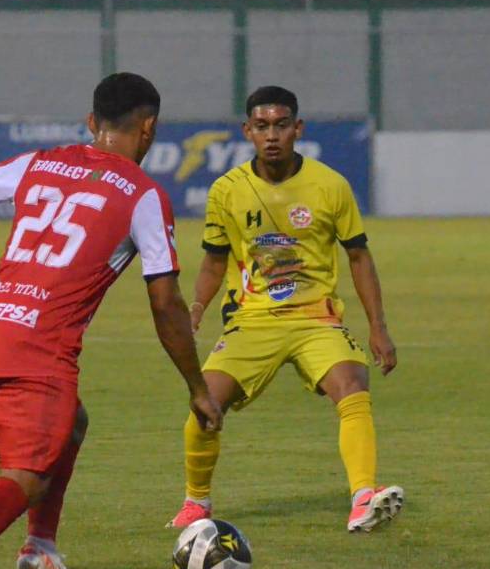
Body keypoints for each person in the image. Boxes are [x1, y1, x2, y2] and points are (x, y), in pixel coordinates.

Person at [0, 73, 223, 569]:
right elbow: (166, 304)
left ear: (92, 122)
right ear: (149, 128)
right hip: (39, 342)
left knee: (72, 422)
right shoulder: (143, 194)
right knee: (25, 477)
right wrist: (197, 387)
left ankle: (40, 547)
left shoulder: (41, 163)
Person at [166, 85, 403, 535]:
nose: (271, 135)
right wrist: (195, 308)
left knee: (352, 385)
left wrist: (378, 327)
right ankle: (196, 501)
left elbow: (358, 256)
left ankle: (363, 497)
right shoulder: (227, 190)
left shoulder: (330, 185)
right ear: (247, 131)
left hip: (316, 318)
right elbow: (214, 260)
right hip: (252, 320)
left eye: (280, 125)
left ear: (298, 128)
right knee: (206, 402)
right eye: (262, 126)